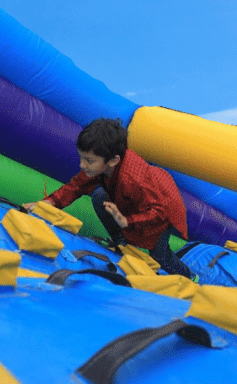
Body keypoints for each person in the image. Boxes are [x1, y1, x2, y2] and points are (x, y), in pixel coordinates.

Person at [25, 118, 194, 278]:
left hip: (162, 209)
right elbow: (76, 186)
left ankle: (190, 277)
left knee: (160, 256)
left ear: (113, 161)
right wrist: (48, 203)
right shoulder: (106, 164)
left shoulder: (133, 180)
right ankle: (122, 243)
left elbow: (158, 212)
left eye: (89, 161)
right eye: (81, 158)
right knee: (99, 197)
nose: (82, 165)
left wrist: (128, 221)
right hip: (135, 200)